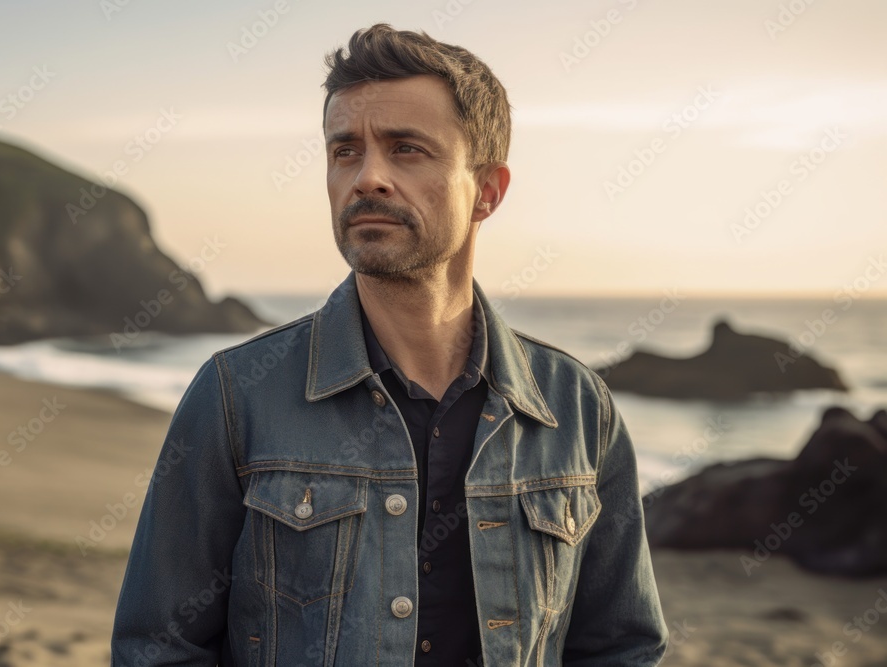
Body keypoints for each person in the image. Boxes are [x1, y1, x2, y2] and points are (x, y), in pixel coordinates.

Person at [112, 23, 668, 666]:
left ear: (487, 190)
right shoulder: (239, 396)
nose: (368, 177)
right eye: (345, 150)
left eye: (406, 149)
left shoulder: (576, 409)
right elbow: (159, 646)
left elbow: (621, 647)